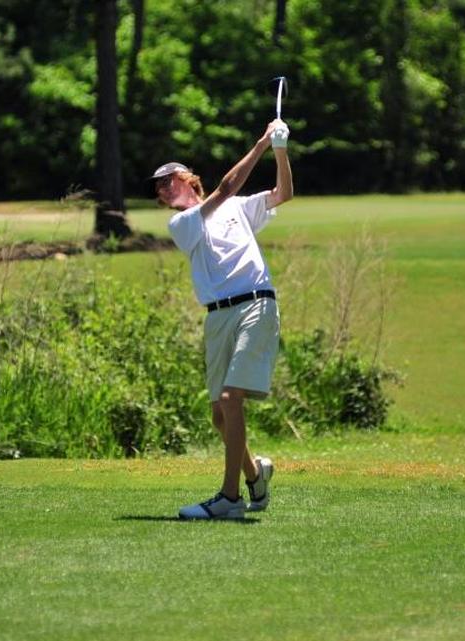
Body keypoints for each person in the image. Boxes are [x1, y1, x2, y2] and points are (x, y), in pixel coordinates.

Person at [152, 118, 293, 520]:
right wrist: (261, 143)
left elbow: (284, 193)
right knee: (219, 415)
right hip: (217, 317)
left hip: (255, 304)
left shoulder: (237, 208)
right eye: (159, 187)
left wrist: (280, 151)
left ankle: (230, 498)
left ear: (188, 179)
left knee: (231, 400)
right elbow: (227, 187)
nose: (164, 189)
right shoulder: (182, 224)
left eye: (169, 180)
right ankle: (255, 475)